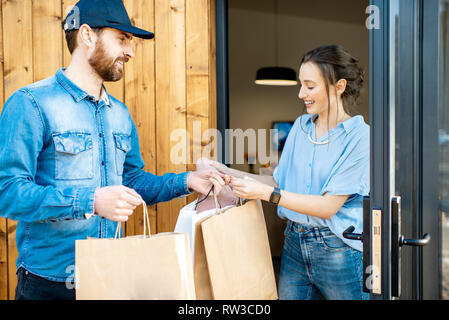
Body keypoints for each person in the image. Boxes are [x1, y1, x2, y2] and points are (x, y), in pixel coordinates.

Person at [0, 0, 228, 300]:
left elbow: (132, 182)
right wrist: (91, 200)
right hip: (49, 284)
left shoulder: (119, 114)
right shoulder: (30, 104)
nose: (130, 52)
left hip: (110, 275)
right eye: (121, 39)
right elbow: (8, 192)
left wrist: (186, 181)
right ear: (87, 35)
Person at [207, 45, 369, 300]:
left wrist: (265, 194)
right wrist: (226, 171)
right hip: (294, 243)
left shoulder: (360, 137)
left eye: (310, 86)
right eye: (300, 85)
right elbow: (278, 181)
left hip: (338, 249)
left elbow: (328, 207)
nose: (301, 93)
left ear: (338, 87)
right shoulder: (301, 126)